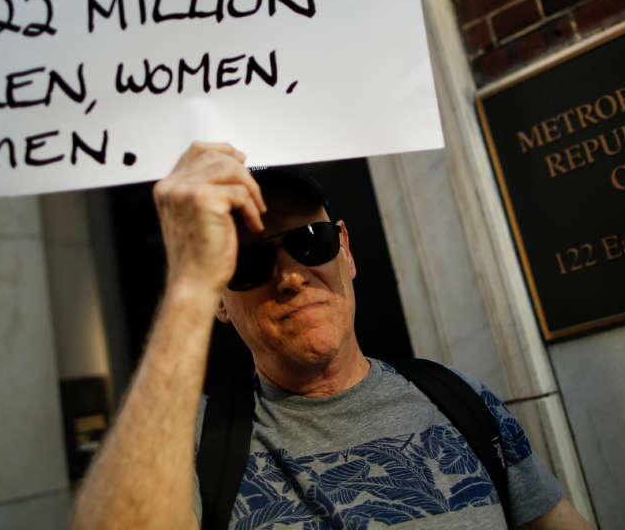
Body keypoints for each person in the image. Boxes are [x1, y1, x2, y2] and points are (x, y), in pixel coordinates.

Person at [72, 142, 593, 529]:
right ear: (220, 302)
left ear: (344, 248)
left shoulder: (462, 400)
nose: (292, 276)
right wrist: (188, 285)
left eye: (308, 241)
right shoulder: (191, 447)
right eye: (249, 263)